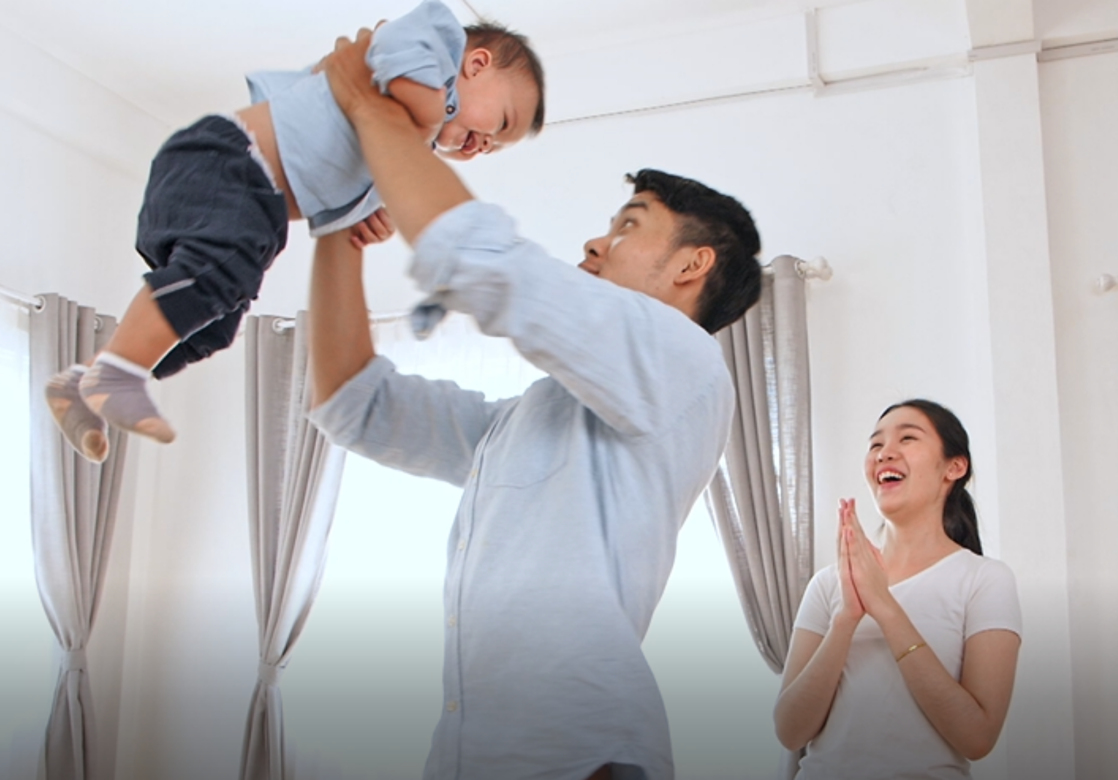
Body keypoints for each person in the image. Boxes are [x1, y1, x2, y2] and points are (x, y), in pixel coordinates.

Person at [304, 29, 763, 780]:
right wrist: (335, 233)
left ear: (691, 265)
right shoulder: (534, 418)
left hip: (579, 757)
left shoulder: (685, 364)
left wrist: (365, 106)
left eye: (627, 225)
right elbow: (354, 406)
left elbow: (486, 265)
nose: (596, 238)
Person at [44, 0, 546, 463]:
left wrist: (369, 212)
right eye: (498, 124)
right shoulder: (433, 41)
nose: (482, 146)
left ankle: (89, 380)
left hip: (254, 204)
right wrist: (426, 124)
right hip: (229, 158)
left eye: (494, 149)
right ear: (476, 64)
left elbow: (346, 199)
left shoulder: (404, 137)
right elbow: (391, 60)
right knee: (215, 276)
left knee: (215, 324)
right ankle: (117, 375)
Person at [774, 399, 1022, 779]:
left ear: (954, 467)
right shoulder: (828, 584)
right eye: (875, 445)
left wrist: (886, 609)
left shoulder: (985, 580)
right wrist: (846, 618)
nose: (885, 452)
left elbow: (978, 737)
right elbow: (790, 731)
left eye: (908, 438)